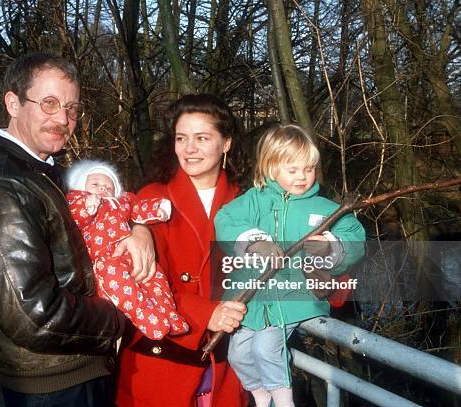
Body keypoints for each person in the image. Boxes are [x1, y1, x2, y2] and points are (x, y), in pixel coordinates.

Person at [0, 52, 156, 407]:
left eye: (72, 107)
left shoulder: (41, 172)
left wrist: (138, 229)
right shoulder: (1, 189)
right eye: (49, 103)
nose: (62, 118)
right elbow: (34, 317)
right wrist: (123, 313)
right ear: (13, 103)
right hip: (53, 385)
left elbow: (105, 213)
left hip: (69, 370)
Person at [214, 123, 366, 407]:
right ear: (271, 169)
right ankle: (260, 395)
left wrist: (330, 246)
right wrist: (254, 242)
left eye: (308, 169)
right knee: (238, 353)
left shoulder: (324, 208)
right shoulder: (254, 200)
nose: (302, 177)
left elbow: (355, 236)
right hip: (252, 299)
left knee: (265, 349)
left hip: (294, 296)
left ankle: (284, 402)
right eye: (292, 170)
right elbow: (225, 221)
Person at [115, 94, 248, 407]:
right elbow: (139, 282)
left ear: (226, 143)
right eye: (181, 138)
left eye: (202, 138)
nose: (189, 149)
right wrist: (206, 312)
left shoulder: (249, 202)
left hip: (226, 363)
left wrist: (330, 266)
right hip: (162, 359)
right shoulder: (151, 200)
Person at [65, 159, 189, 340]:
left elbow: (139, 209)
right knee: (123, 289)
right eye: (95, 184)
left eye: (109, 186)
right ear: (82, 185)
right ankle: (149, 320)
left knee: (156, 278)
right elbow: (73, 218)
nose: (103, 189)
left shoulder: (123, 201)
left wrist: (158, 209)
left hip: (132, 254)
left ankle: (170, 315)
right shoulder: (78, 200)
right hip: (106, 260)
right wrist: (87, 205)